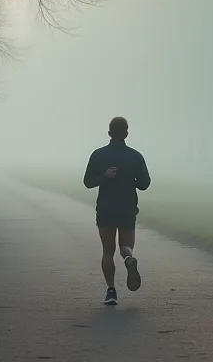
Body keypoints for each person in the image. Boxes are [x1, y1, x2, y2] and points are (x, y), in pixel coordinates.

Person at [83, 116, 151, 305]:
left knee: (107, 251)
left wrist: (103, 177)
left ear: (109, 133)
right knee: (125, 247)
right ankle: (129, 259)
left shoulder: (98, 155)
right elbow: (145, 184)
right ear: (126, 134)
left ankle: (111, 291)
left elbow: (88, 182)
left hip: (105, 209)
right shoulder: (135, 156)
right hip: (127, 209)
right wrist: (133, 180)